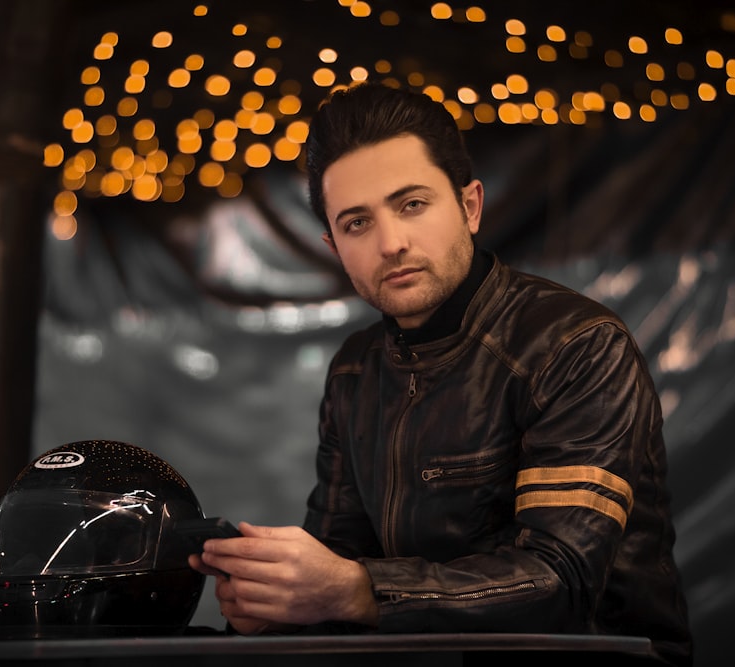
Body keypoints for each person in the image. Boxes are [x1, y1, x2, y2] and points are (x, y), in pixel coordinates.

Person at [189, 82, 693, 666]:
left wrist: (352, 589)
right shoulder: (355, 369)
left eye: (412, 204)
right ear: (333, 246)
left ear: (470, 206)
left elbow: (560, 582)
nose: (392, 243)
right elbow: (338, 554)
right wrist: (280, 600)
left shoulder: (575, 345)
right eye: (357, 223)